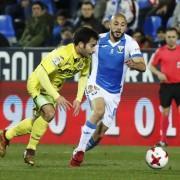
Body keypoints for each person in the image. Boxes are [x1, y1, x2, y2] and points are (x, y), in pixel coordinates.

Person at [0, 27, 98, 166]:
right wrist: (57, 96)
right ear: (81, 44)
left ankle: (5, 136)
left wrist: (78, 98)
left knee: (36, 122)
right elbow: (41, 73)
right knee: (49, 113)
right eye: (92, 45)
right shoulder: (62, 54)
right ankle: (30, 150)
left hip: (52, 89)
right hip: (38, 85)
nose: (94, 49)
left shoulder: (85, 59)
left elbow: (83, 76)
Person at [70, 13, 146, 167]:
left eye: (122, 24)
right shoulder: (98, 40)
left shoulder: (130, 43)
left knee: (99, 134)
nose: (119, 27)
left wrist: (134, 64)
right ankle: (79, 152)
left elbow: (143, 66)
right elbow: (81, 49)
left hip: (114, 93)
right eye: (116, 24)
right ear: (109, 25)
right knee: (99, 111)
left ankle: (81, 148)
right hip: (95, 84)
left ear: (126, 27)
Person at [149, 27, 180, 147]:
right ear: (165, 38)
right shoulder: (160, 51)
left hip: (179, 86)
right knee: (165, 112)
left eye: (173, 37)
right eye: (169, 37)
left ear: (177, 38)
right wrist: (158, 73)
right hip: (166, 87)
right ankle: (163, 139)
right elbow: (151, 66)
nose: (171, 39)